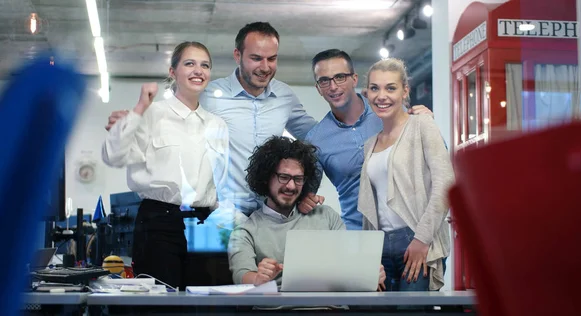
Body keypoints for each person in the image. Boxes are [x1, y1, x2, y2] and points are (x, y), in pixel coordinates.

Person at [106, 22, 322, 217]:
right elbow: (172, 112)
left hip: (270, 213)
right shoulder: (209, 94)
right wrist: (132, 120)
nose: (265, 67)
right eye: (256, 58)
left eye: (272, 59)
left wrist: (307, 191)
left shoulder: (285, 96)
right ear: (237, 56)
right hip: (222, 214)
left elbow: (320, 140)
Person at [101, 41, 230, 289]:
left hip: (204, 224)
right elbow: (113, 156)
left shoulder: (218, 125)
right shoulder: (150, 114)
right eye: (189, 63)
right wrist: (138, 110)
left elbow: (221, 181)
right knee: (160, 303)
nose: (198, 70)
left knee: (206, 304)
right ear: (173, 72)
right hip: (159, 222)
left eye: (205, 65)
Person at [227, 136, 385, 289]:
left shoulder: (326, 216)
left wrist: (369, 274)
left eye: (298, 179)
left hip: (330, 309)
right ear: (266, 177)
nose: (291, 186)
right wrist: (257, 279)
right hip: (277, 310)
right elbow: (241, 275)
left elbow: (349, 268)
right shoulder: (245, 231)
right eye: (283, 177)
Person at [304, 49, 432, 229]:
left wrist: (425, 125)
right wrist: (305, 199)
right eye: (324, 81)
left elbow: (435, 162)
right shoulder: (315, 140)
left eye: (340, 77)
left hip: (410, 228)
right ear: (318, 88)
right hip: (359, 235)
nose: (333, 87)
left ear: (354, 79)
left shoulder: (390, 110)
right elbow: (305, 194)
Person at [357, 58, 454, 291]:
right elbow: (372, 205)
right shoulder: (370, 144)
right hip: (379, 247)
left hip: (416, 239)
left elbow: (446, 183)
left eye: (391, 88)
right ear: (366, 93)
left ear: (405, 91)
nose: (382, 96)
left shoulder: (422, 125)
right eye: (374, 88)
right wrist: (370, 254)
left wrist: (422, 240)